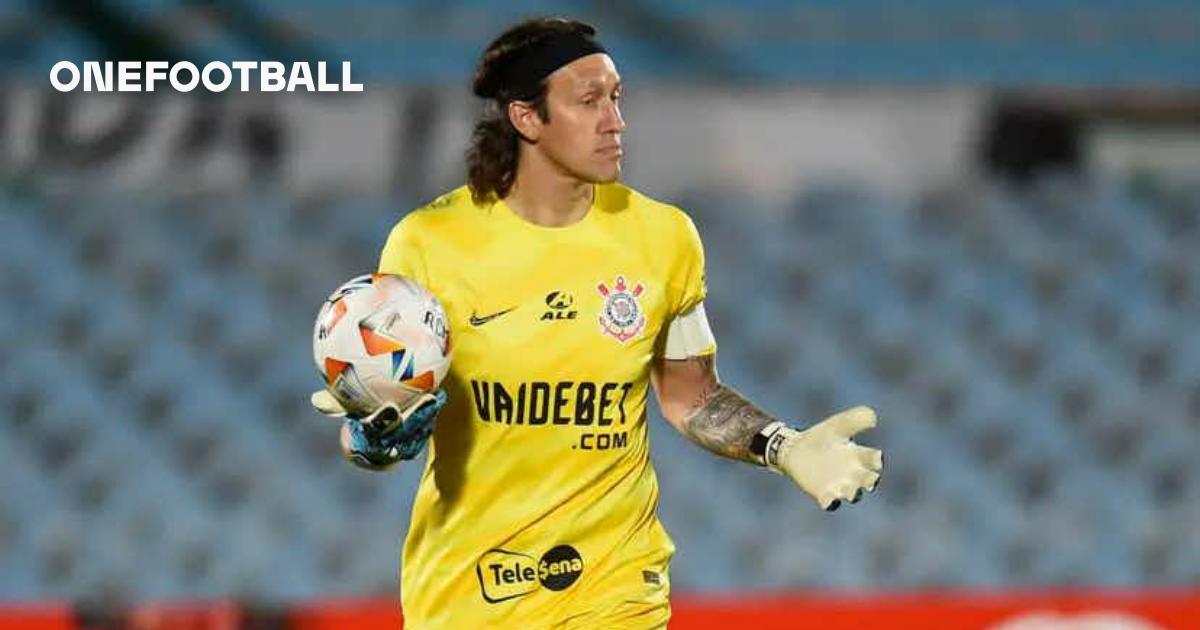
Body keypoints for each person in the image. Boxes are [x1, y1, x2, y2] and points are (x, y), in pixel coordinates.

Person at [312, 17, 884, 630]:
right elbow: (375, 413)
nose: (615, 121)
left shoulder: (664, 238)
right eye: (589, 101)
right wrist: (371, 443)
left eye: (616, 97)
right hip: (468, 598)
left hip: (615, 591)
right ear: (527, 118)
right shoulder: (428, 244)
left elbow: (690, 396)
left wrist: (782, 445)